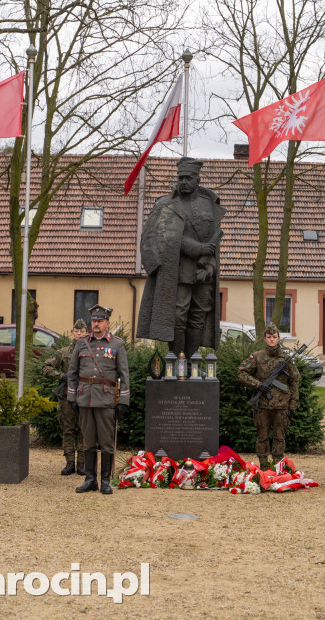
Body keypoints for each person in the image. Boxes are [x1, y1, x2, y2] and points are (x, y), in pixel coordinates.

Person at [136, 157, 225, 360]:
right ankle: (176, 362)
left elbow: (214, 242)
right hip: (177, 271)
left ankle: (192, 362)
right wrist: (197, 248)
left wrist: (211, 266)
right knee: (178, 316)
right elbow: (160, 236)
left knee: (199, 316)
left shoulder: (209, 204)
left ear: (197, 180)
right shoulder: (166, 204)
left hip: (204, 271)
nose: (183, 181)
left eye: (188, 178)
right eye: (180, 178)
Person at [67, 305, 129, 495]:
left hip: (106, 400)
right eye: (94, 321)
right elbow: (72, 372)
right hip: (85, 398)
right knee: (88, 442)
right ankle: (90, 480)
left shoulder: (117, 345)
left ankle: (105, 481)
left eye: (100, 321)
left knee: (106, 443)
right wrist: (72, 396)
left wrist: (123, 401)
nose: (96, 324)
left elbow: (124, 375)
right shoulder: (82, 343)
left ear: (107, 323)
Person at [237, 322, 300, 468]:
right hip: (262, 405)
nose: (272, 339)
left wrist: (293, 405)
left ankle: (277, 467)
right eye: (269, 337)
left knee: (279, 438)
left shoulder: (286, 359)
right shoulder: (257, 357)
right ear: (265, 338)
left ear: (278, 338)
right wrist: (258, 384)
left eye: (274, 337)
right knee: (262, 437)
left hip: (282, 406)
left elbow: (295, 382)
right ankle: (264, 467)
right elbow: (241, 373)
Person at [43, 319, 89, 476]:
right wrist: (61, 376)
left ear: (87, 333)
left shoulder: (91, 353)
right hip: (66, 397)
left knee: (84, 430)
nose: (79, 334)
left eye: (82, 332)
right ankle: (70, 463)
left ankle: (82, 463)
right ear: (72, 333)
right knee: (67, 430)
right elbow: (46, 368)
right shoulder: (63, 352)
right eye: (77, 332)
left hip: (85, 396)